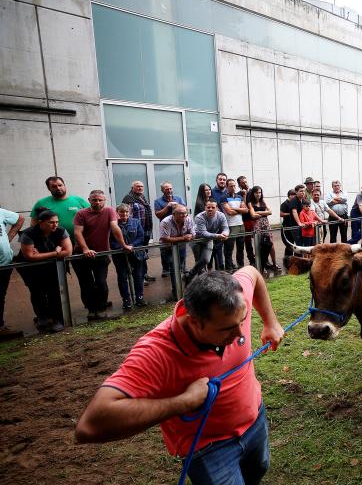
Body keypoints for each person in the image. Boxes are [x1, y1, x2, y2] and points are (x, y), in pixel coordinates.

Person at [75, 267, 285, 485]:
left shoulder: (233, 303)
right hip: (210, 449)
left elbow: (252, 272)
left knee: (259, 470)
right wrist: (184, 402)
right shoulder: (156, 352)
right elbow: (90, 425)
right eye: (228, 329)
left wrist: (270, 322)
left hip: (255, 420)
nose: (240, 334)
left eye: (242, 321)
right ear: (194, 321)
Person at [73, 190, 132, 320]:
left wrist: (123, 245)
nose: (98, 202)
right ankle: (91, 309)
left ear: (104, 200)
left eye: (100, 200)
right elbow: (78, 233)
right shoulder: (81, 213)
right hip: (81, 255)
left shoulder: (110, 211)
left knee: (101, 282)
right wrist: (85, 249)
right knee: (86, 283)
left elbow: (115, 227)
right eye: (94, 200)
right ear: (89, 200)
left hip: (101, 254)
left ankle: (101, 308)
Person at [16, 209, 71, 333]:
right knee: (37, 292)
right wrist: (56, 252)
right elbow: (29, 256)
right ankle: (42, 317)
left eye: (57, 222)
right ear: (41, 222)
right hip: (31, 269)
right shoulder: (28, 234)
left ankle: (57, 319)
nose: (55, 225)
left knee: (54, 292)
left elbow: (68, 251)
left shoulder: (61, 231)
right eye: (51, 222)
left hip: (52, 267)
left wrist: (41, 254)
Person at [30, 176, 89, 241]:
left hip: (80, 241)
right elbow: (33, 225)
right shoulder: (41, 203)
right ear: (49, 189)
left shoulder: (79, 200)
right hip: (54, 243)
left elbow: (92, 216)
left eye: (60, 185)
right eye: (54, 186)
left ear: (64, 185)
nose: (58, 188)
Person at [111, 204, 146, 310]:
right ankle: (126, 300)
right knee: (122, 277)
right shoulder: (113, 224)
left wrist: (132, 246)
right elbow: (111, 240)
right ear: (117, 213)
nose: (124, 214)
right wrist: (122, 247)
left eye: (126, 212)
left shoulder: (136, 222)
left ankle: (139, 297)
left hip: (136, 254)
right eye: (121, 212)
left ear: (130, 213)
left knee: (138, 276)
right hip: (119, 254)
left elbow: (141, 236)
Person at [122, 181, 155, 282]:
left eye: (141, 186)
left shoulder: (142, 197)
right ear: (132, 188)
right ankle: (138, 277)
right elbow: (127, 216)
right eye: (137, 186)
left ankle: (144, 274)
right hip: (135, 231)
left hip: (145, 229)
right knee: (135, 255)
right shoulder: (128, 198)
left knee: (143, 252)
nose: (140, 188)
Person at [188, 200, 229, 282]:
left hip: (209, 239)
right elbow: (203, 233)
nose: (210, 209)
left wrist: (225, 234)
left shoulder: (221, 216)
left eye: (213, 207)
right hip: (196, 240)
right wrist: (218, 236)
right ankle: (201, 281)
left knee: (206, 260)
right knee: (199, 261)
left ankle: (190, 274)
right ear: (205, 208)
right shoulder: (199, 217)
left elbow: (225, 228)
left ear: (217, 208)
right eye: (208, 207)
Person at [159, 205, 194, 300]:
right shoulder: (166, 222)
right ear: (173, 214)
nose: (184, 215)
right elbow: (165, 239)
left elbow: (192, 233)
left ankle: (180, 290)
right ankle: (176, 293)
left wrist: (190, 236)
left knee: (180, 268)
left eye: (185, 213)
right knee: (174, 268)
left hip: (181, 247)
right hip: (168, 248)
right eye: (181, 213)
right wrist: (183, 238)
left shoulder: (188, 219)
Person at [0, 205, 25, 339]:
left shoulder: (1, 212)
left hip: (4, 262)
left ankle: (0, 327)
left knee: (0, 295)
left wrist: (9, 235)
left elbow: (19, 219)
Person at [154, 181, 187, 278]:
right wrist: (167, 206)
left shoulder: (179, 198)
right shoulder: (158, 201)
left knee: (181, 248)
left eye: (170, 188)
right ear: (162, 190)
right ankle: (166, 269)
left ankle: (182, 268)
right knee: (166, 248)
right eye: (166, 189)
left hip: (179, 227)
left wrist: (178, 207)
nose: (169, 190)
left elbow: (185, 210)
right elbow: (158, 214)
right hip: (166, 227)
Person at [246, 186, 280, 272]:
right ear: (253, 193)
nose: (258, 194)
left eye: (260, 192)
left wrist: (258, 212)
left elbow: (270, 212)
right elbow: (253, 215)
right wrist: (265, 213)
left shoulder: (263, 201)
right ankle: (261, 265)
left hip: (266, 225)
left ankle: (274, 263)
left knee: (271, 244)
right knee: (259, 245)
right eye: (256, 192)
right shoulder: (250, 203)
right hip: (257, 225)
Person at [221, 179, 247, 272]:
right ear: (227, 187)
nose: (233, 187)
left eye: (234, 186)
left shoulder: (239, 196)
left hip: (241, 225)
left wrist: (234, 208)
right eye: (231, 186)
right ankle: (229, 269)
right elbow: (229, 212)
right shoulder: (224, 198)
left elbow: (246, 210)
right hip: (231, 226)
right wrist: (240, 209)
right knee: (229, 249)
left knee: (240, 248)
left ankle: (241, 266)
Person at [237, 176, 257, 267]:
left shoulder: (254, 191)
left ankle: (262, 259)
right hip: (246, 220)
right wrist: (244, 195)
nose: (245, 183)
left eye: (245, 181)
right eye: (242, 183)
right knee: (248, 242)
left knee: (259, 240)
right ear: (239, 185)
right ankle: (252, 260)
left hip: (255, 220)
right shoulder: (238, 194)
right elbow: (245, 208)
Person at [280, 188, 299, 262]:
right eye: (292, 195)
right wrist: (291, 214)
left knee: (296, 244)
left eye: (294, 194)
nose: (293, 196)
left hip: (295, 226)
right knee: (289, 244)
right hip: (287, 226)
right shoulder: (285, 204)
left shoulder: (296, 202)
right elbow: (281, 214)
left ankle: (295, 260)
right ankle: (287, 260)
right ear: (289, 196)